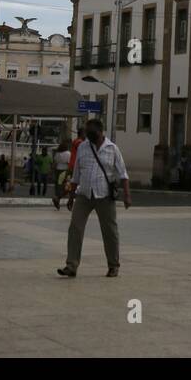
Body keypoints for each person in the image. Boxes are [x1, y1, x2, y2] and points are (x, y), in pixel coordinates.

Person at [59, 118, 131, 278]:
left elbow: (123, 174)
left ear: (100, 132)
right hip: (84, 195)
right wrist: (71, 196)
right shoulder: (83, 147)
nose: (89, 137)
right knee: (75, 229)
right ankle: (71, 265)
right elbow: (76, 174)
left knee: (110, 231)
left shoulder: (112, 149)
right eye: (87, 134)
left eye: (92, 134)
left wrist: (127, 195)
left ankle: (113, 265)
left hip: (104, 196)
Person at [52, 142, 72, 210]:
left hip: (57, 171)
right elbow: (69, 163)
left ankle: (57, 199)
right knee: (68, 187)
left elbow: (54, 163)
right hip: (65, 171)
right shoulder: (68, 153)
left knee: (58, 187)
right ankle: (58, 198)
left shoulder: (57, 154)